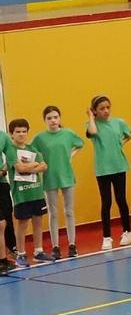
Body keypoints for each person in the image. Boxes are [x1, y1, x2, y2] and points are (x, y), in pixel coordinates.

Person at [83, 95, 131, 250]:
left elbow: (130, 133)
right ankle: (107, 237)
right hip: (103, 169)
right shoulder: (91, 124)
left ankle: (127, 231)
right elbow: (92, 131)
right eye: (101, 108)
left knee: (121, 199)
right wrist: (90, 117)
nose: (106, 111)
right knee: (106, 202)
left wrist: (120, 144)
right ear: (95, 111)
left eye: (108, 107)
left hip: (119, 166)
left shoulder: (118, 122)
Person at [31, 106, 84, 257]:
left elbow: (80, 144)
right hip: (50, 177)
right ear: (45, 120)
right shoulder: (40, 138)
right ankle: (55, 246)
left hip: (66, 176)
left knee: (69, 211)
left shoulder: (68, 134)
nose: (53, 120)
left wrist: (70, 156)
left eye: (55, 117)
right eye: (49, 118)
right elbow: (30, 151)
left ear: (59, 118)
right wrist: (38, 163)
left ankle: (72, 244)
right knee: (53, 213)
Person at [9, 118, 51, 266]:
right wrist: (33, 165)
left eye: (24, 131)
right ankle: (20, 254)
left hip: (36, 192)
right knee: (22, 223)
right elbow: (20, 168)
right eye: (18, 132)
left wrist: (30, 166)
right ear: (11, 134)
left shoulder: (32, 149)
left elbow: (44, 166)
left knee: (38, 221)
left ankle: (38, 251)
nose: (21, 134)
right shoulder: (11, 151)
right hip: (21, 194)